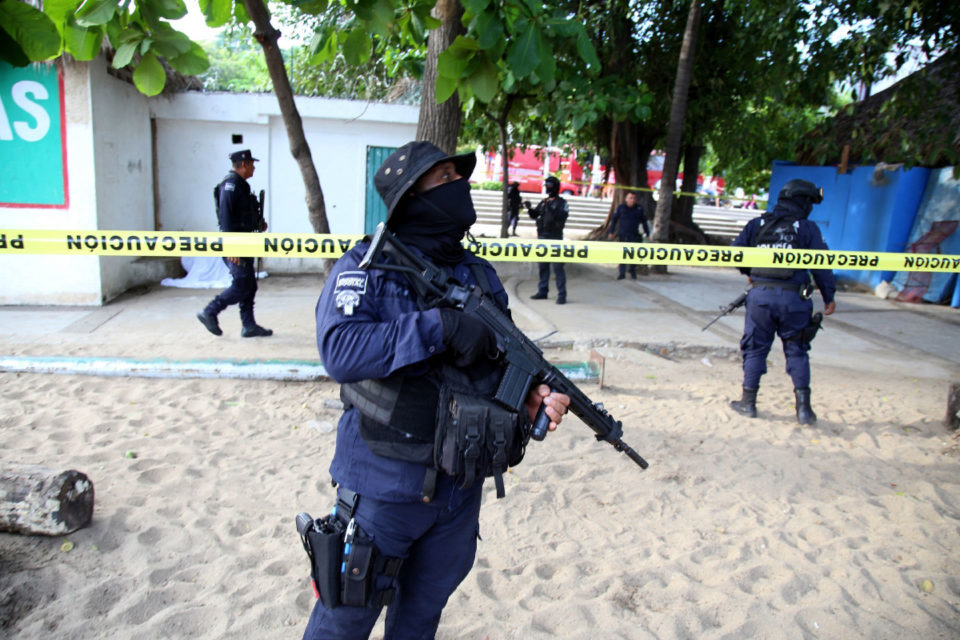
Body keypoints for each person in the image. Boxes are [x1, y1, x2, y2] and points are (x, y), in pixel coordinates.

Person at [304, 141, 570, 640]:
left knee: (420, 619)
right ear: (412, 198)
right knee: (344, 622)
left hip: (459, 486)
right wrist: (440, 328)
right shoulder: (368, 267)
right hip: (384, 488)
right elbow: (341, 351)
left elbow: (495, 359)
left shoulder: (477, 272)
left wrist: (530, 393)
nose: (459, 186)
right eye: (444, 178)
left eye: (458, 176)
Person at [728, 178, 837, 424]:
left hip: (761, 298)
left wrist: (751, 274)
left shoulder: (757, 224)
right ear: (803, 202)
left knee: (755, 349)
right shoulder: (807, 228)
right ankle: (804, 410)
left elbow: (736, 253)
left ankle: (748, 403)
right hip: (795, 299)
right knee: (797, 350)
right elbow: (822, 266)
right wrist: (829, 296)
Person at [196, 149, 272, 338]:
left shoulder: (241, 186)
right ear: (244, 164)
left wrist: (257, 222)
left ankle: (249, 325)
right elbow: (226, 219)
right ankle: (210, 311)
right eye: (252, 164)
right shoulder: (231, 185)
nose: (254, 167)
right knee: (242, 284)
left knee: (249, 285)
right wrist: (231, 248)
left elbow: (242, 215)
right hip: (235, 245)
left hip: (243, 243)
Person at [526, 175, 569, 304]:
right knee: (543, 266)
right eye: (547, 186)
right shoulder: (544, 202)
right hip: (543, 237)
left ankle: (562, 294)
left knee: (558, 268)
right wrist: (529, 209)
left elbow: (562, 217)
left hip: (555, 239)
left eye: (550, 186)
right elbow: (535, 215)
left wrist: (551, 208)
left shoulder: (562, 203)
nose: (548, 189)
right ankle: (543, 291)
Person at [607, 190, 650, 280]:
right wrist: (611, 232)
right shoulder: (621, 208)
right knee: (623, 254)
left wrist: (647, 233)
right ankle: (622, 272)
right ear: (626, 199)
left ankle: (632, 270)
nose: (632, 200)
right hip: (623, 234)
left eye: (634, 198)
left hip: (634, 235)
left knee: (633, 254)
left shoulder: (639, 209)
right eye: (630, 198)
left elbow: (644, 222)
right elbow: (614, 220)